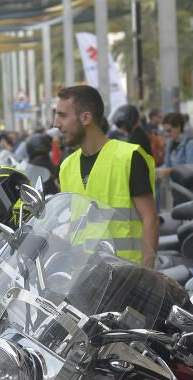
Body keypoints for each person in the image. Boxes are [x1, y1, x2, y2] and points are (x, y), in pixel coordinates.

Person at [53, 85, 157, 267]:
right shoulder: (66, 167)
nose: (56, 123)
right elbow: (75, 224)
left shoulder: (129, 157)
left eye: (62, 115)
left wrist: (146, 275)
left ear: (85, 117)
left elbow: (150, 219)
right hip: (84, 279)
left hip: (126, 276)